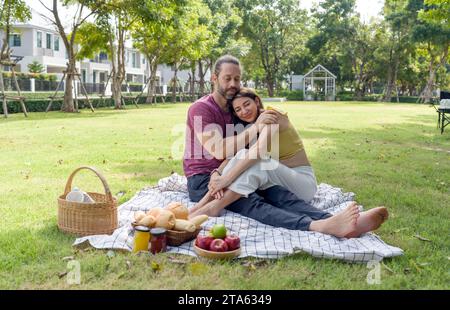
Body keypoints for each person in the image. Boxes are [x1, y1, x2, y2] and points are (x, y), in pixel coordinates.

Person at [184, 55, 387, 238]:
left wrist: (222, 173)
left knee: (277, 194)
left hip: (235, 172)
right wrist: (216, 174)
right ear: (214, 78)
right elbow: (219, 150)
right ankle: (318, 226)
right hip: (203, 181)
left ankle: (336, 220)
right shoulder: (201, 109)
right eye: (227, 78)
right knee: (255, 203)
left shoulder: (236, 111)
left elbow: (243, 152)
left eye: (237, 79)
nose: (233, 84)